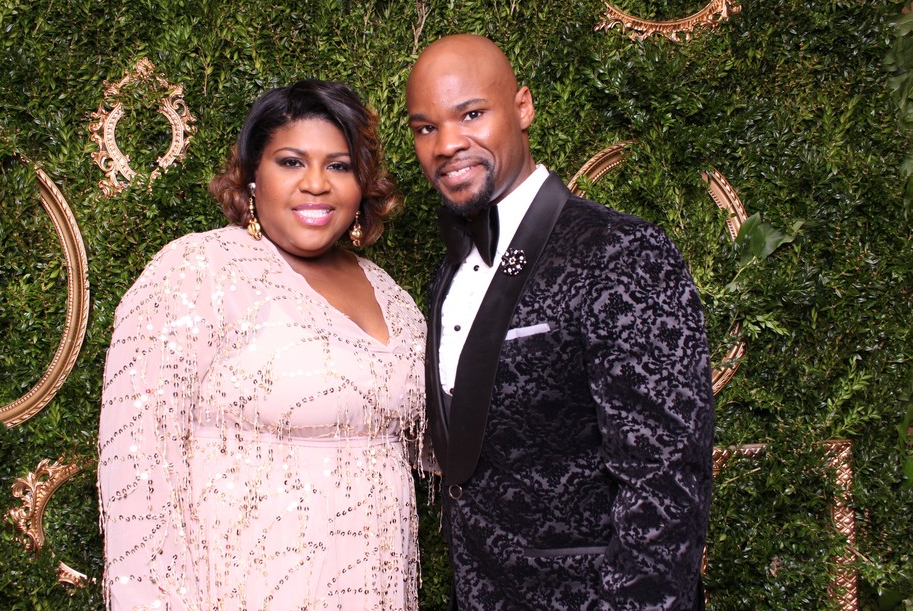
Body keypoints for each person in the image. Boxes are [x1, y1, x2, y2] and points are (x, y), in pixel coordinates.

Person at [406, 33, 715, 610]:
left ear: (522, 107)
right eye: (425, 128)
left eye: (471, 114)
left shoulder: (621, 250)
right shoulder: (448, 275)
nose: (446, 144)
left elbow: (665, 482)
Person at [98, 80, 428, 610]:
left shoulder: (390, 294)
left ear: (362, 183)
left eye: (340, 166)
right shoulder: (198, 270)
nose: (316, 184)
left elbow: (442, 441)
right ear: (253, 175)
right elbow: (137, 479)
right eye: (291, 162)